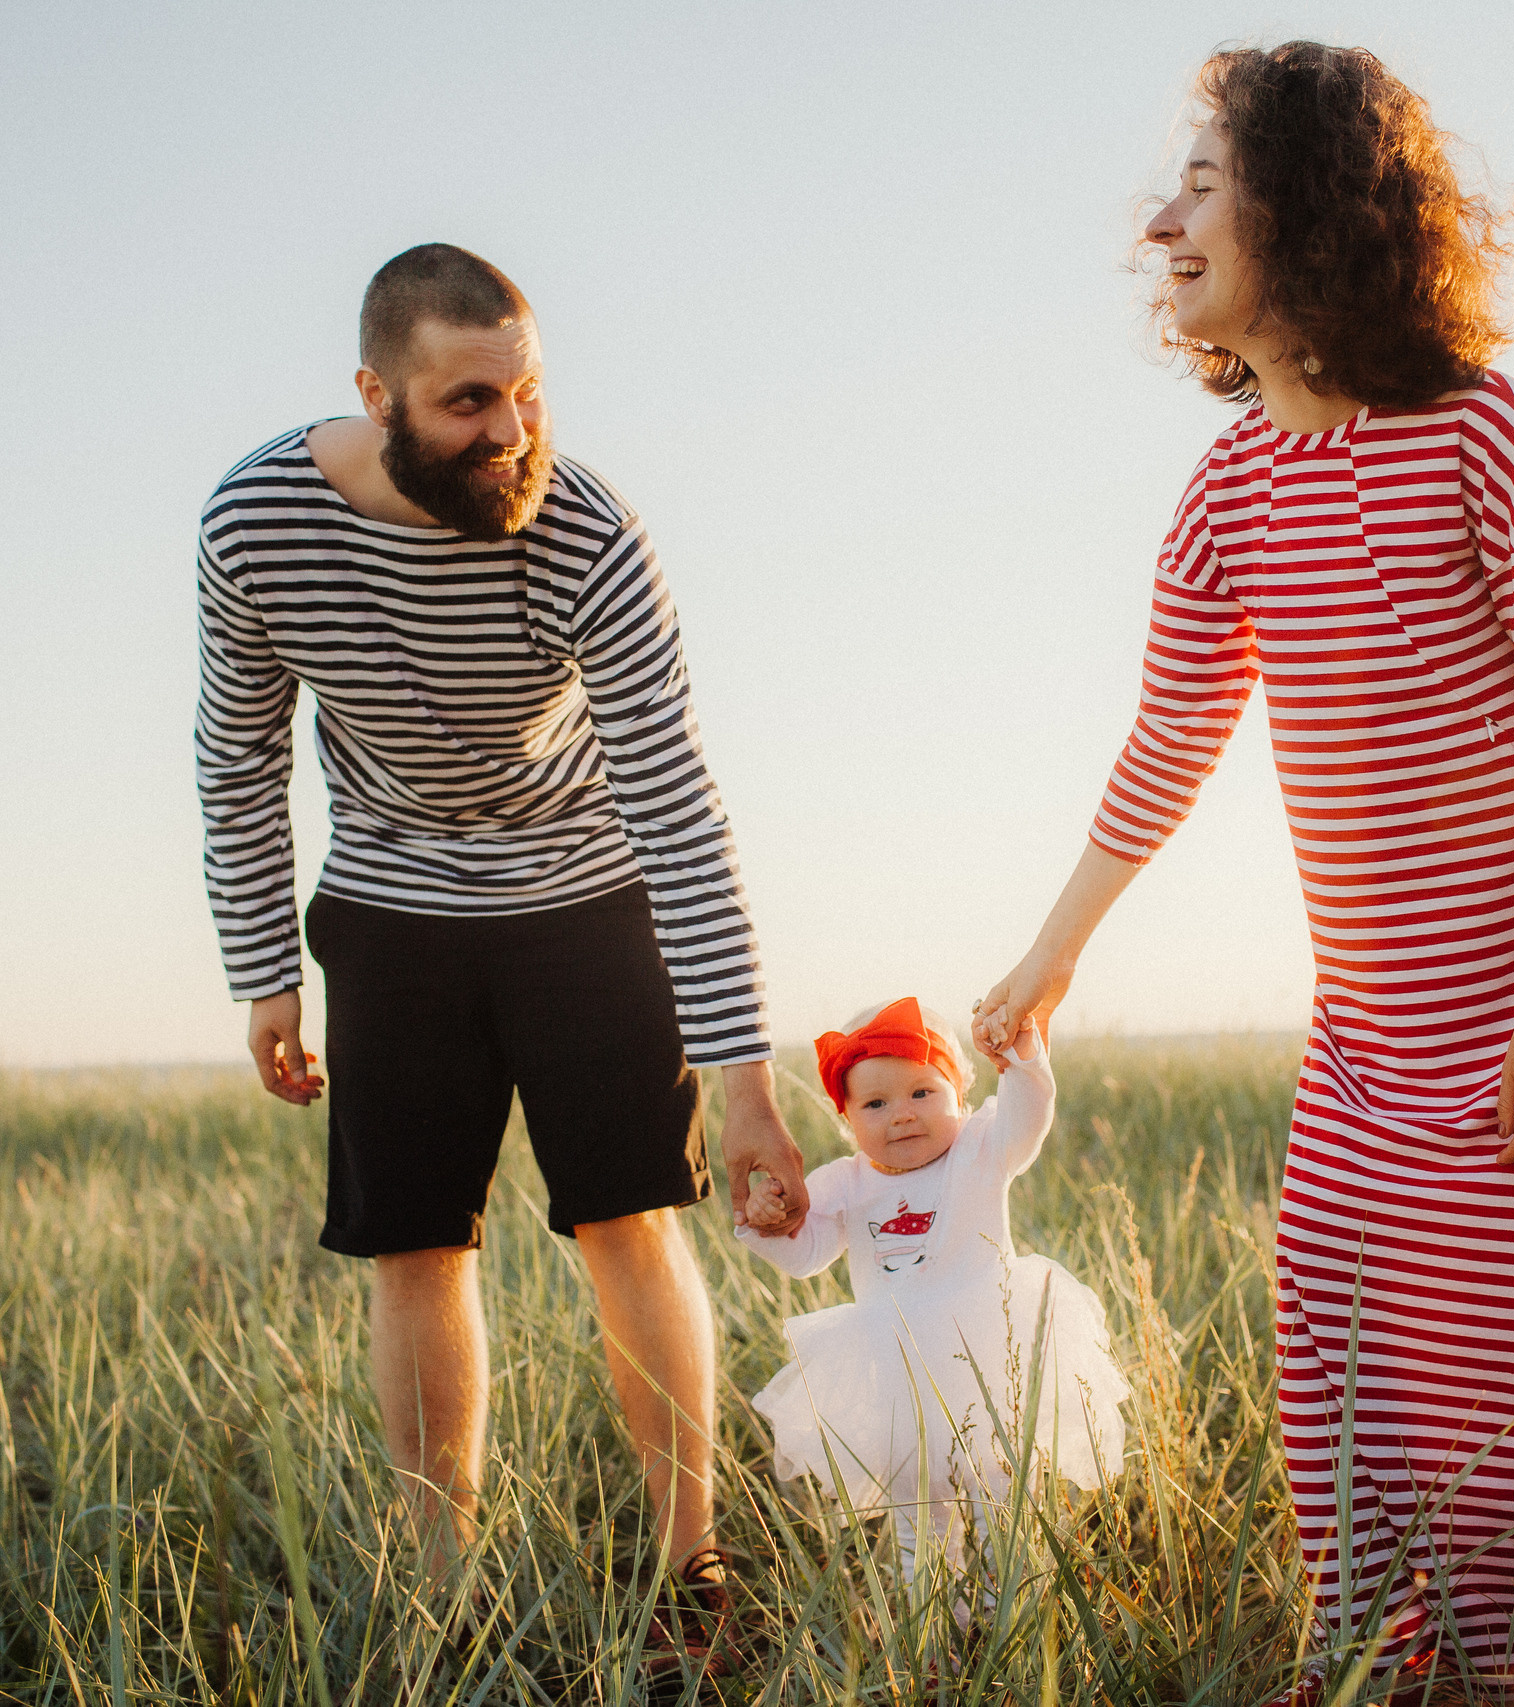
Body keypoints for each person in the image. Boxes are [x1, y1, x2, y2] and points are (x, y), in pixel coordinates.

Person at [972, 43, 1514, 1690]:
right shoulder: (1231, 485)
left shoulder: (1487, 433)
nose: (1162, 219)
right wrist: (1050, 952)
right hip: (1375, 1007)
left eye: (1203, 184)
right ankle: (1386, 1651)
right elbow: (1168, 738)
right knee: (1349, 1313)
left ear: (1304, 208)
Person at [192, 243, 810, 1655]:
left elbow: (676, 799)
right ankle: (439, 1593)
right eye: (472, 401)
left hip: (588, 895)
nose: (512, 432)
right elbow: (236, 756)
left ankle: (690, 1575)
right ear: (377, 391)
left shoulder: (585, 528)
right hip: (393, 907)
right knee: (414, 1245)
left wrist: (746, 1070)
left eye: (529, 392)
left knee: (628, 1220)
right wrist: (264, 970)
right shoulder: (257, 522)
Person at [735, 999, 1127, 1607]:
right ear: (846, 1120)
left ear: (961, 1094)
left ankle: (1010, 1606)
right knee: (919, 1505)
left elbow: (1030, 1116)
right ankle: (939, 1619)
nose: (903, 1117)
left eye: (923, 1092)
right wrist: (768, 1223)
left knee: (1000, 1488)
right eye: (875, 1104)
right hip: (899, 1373)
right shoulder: (846, 1180)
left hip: (988, 1357)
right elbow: (807, 1251)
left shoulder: (980, 1149)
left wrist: (1020, 1054)